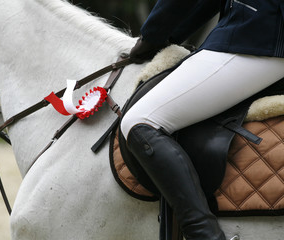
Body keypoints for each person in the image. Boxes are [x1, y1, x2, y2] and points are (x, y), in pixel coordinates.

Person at [121, 0, 284, 239]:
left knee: (138, 121)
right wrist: (169, 35)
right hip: (261, 33)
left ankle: (204, 234)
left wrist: (152, 36)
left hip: (258, 37)